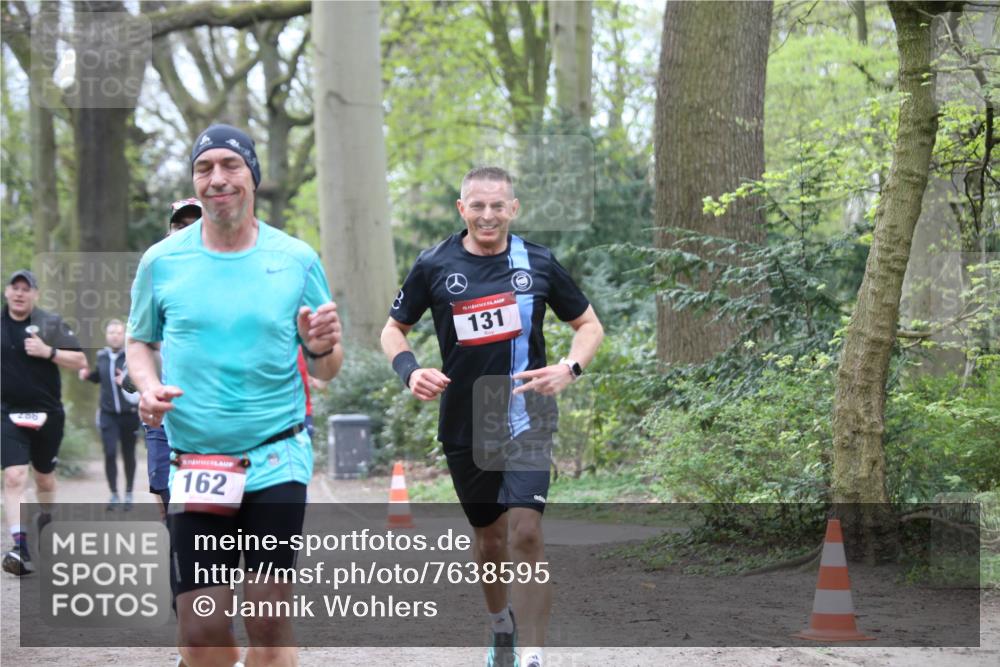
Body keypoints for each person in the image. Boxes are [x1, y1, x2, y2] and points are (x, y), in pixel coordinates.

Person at [126, 124, 342, 667]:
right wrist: (148, 387)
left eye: (230, 166)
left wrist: (321, 347)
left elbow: (329, 368)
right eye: (205, 168)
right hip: (196, 464)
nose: (217, 178)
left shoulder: (295, 259)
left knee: (267, 621)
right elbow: (138, 341)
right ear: (195, 181)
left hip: (276, 458)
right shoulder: (161, 261)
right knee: (201, 630)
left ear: (252, 177)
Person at [380, 166, 604, 667]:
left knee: (525, 532)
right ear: (462, 209)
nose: (487, 215)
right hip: (467, 420)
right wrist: (411, 370)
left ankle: (534, 656)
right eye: (477, 206)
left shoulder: (538, 263)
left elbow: (588, 325)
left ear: (513, 209)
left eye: (497, 206)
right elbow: (393, 330)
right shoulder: (434, 264)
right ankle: (501, 624)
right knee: (490, 538)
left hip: (529, 413)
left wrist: (570, 368)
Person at [1, 270, 87, 575]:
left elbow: (80, 360)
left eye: (27, 288)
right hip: (8, 413)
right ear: (7, 291)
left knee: (44, 478)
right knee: (13, 476)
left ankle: (47, 516)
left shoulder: (50, 323)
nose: (20, 293)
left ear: (35, 294)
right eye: (15, 287)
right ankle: (20, 547)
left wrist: (48, 351)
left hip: (48, 414)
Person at [79, 319, 141, 511]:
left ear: (124, 336)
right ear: (106, 335)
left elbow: (140, 380)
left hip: (129, 414)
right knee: (110, 452)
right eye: (111, 332)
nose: (114, 335)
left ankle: (129, 493)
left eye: (118, 332)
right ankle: (114, 493)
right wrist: (88, 375)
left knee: (129, 454)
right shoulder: (102, 355)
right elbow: (100, 376)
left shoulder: (132, 356)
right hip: (108, 414)